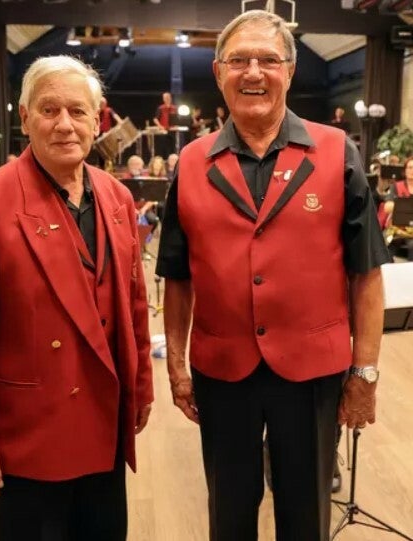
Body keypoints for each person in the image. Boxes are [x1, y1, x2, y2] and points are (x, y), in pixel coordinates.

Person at [156, 10, 390, 541]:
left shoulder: (338, 152)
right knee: (229, 513)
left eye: (268, 59)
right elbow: (178, 276)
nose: (254, 73)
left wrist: (366, 372)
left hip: (313, 372)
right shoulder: (190, 163)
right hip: (222, 372)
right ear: (218, 72)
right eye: (239, 60)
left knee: (306, 514)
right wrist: (177, 367)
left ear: (290, 69)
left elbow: (366, 273)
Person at [0, 55, 153, 541]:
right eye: (49, 110)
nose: (64, 125)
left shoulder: (117, 197)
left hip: (104, 424)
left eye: (77, 111)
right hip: (28, 437)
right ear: (25, 117)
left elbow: (134, 305)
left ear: (97, 121)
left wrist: (141, 388)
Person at [153, 92, 177, 157]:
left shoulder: (174, 108)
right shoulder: (160, 108)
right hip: (163, 131)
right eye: (166, 98)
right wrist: (160, 126)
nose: (167, 99)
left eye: (168, 97)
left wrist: (176, 125)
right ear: (163, 99)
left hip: (172, 130)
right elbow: (155, 119)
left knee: (172, 147)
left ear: (171, 98)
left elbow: (177, 119)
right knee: (163, 147)